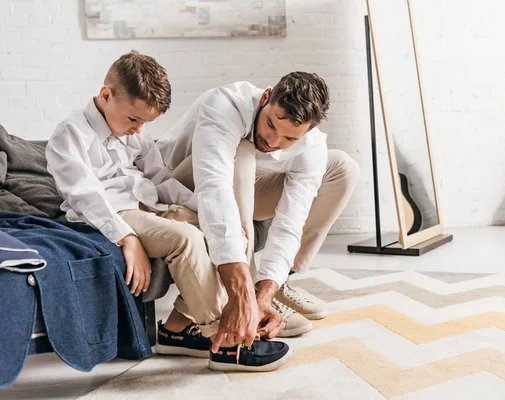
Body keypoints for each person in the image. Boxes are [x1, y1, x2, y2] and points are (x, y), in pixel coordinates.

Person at [45, 51, 291, 372]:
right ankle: (226, 341)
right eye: (134, 119)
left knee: (222, 229)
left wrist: (203, 209)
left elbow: (159, 178)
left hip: (149, 206)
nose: (138, 130)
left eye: (145, 123)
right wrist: (127, 238)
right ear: (106, 95)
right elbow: (83, 196)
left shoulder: (132, 132)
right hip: (112, 214)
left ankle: (194, 327)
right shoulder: (71, 134)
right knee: (185, 238)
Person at [157, 72, 360, 338]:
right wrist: (240, 295)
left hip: (247, 183)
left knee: (342, 167)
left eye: (289, 139)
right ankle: (247, 291)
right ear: (265, 97)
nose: (274, 142)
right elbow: (214, 192)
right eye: (271, 125)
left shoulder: (311, 145)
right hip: (180, 189)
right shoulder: (224, 104)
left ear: (307, 131)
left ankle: (274, 285)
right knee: (243, 152)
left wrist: (266, 292)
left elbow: (290, 222)